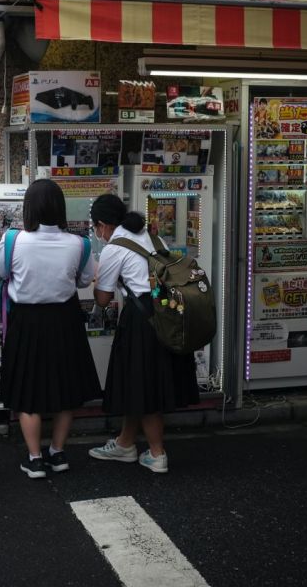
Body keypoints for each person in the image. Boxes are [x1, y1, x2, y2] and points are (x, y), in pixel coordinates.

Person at [0, 179, 100, 478]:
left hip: (26, 321)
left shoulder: (13, 240)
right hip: (65, 321)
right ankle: (58, 452)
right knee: (66, 388)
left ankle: (35, 457)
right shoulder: (80, 243)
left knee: (27, 390)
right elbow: (83, 280)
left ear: (29, 208)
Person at [87, 194, 199, 474]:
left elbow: (102, 299)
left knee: (146, 384)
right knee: (138, 382)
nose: (96, 233)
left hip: (142, 319)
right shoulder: (151, 237)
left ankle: (157, 453)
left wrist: (97, 278)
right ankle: (125, 444)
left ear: (102, 225)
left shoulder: (115, 247)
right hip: (167, 313)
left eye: (95, 228)